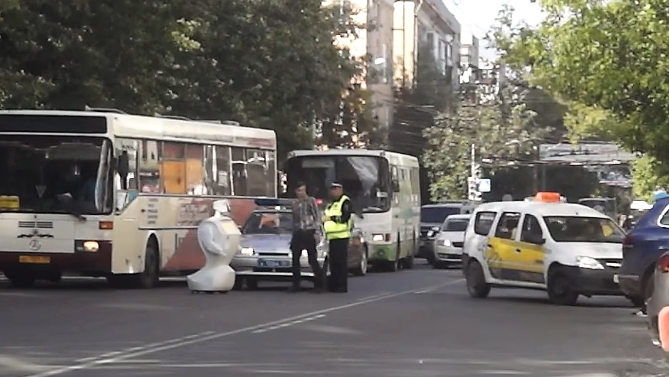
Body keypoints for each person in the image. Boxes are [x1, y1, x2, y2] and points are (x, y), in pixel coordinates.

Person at [288, 182, 323, 293]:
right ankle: (295, 284)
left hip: (309, 231)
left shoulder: (311, 201)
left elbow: (316, 216)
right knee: (295, 259)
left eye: (303, 190)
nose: (301, 193)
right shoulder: (294, 203)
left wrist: (316, 232)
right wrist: (293, 232)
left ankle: (319, 284)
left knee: (312, 259)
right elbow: (293, 219)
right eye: (299, 191)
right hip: (298, 232)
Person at [322, 182, 352, 293]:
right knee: (333, 263)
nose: (333, 192)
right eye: (331, 189)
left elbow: (344, 217)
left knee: (340, 263)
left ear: (341, 189)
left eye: (335, 189)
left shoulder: (345, 201)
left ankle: (342, 286)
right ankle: (333, 285)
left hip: (342, 236)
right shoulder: (331, 203)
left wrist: (330, 218)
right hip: (331, 237)